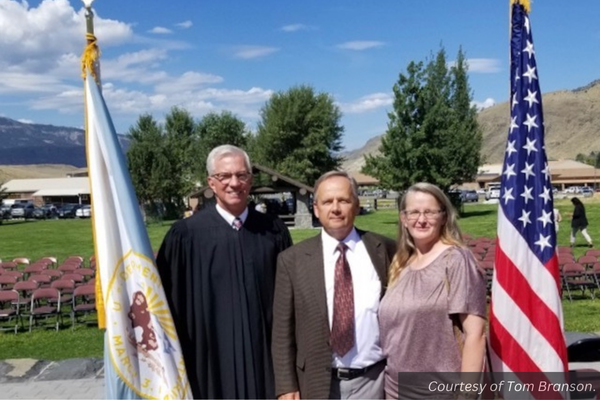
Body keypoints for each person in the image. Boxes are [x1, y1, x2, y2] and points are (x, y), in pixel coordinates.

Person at [156, 144, 293, 399]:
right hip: (208, 363)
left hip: (263, 360)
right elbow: (165, 305)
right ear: (211, 182)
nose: (234, 183)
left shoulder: (273, 231)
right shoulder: (185, 236)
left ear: (250, 180)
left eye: (241, 175)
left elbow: (291, 301)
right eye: (224, 176)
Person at [272, 171, 396, 400]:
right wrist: (286, 385)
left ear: (356, 206)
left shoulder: (385, 249)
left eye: (344, 200)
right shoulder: (292, 260)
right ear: (316, 209)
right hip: (317, 383)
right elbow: (282, 331)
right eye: (327, 201)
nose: (336, 208)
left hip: (374, 381)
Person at [378, 183, 487, 399]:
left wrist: (468, 395)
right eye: (414, 212)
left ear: (444, 217)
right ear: (403, 218)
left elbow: (476, 334)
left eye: (430, 212)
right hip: (394, 391)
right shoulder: (401, 264)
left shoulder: (455, 260)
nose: (421, 219)